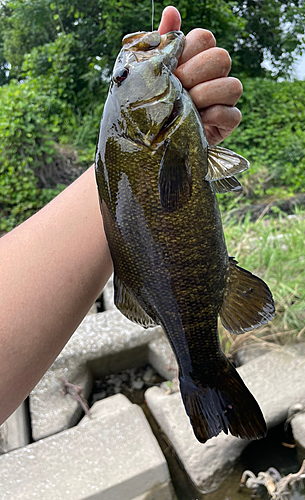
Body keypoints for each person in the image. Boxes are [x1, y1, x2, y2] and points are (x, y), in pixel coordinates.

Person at [0, 6, 243, 425]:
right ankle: (203, 368)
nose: (127, 68)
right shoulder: (140, 143)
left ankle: (201, 372)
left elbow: (130, 179)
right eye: (122, 79)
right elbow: (129, 176)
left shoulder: (149, 138)